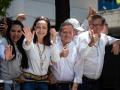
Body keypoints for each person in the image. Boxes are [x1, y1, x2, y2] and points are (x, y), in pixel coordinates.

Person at [75, 14, 120, 90]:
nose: (93, 27)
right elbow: (80, 57)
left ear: (102, 27)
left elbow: (115, 39)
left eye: (97, 25)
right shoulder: (82, 37)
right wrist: (91, 44)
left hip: (97, 83)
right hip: (84, 82)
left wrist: (116, 43)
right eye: (92, 25)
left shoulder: (104, 37)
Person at [22, 16, 58, 90]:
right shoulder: (29, 39)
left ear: (48, 30)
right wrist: (28, 41)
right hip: (29, 81)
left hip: (43, 81)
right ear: (34, 27)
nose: (41, 30)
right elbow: (26, 46)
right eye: (38, 27)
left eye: (44, 27)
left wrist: (54, 40)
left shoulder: (50, 44)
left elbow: (55, 60)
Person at [49, 22, 84, 90]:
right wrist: (60, 55)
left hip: (69, 86)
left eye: (70, 32)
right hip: (53, 86)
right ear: (60, 33)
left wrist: (74, 87)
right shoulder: (53, 45)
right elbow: (47, 62)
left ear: (73, 34)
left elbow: (79, 71)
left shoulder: (77, 48)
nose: (67, 35)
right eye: (65, 32)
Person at [0, 20, 28, 90]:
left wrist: (22, 74)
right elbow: (2, 52)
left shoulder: (21, 45)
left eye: (19, 31)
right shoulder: (4, 41)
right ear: (9, 31)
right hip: (5, 84)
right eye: (13, 31)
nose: (16, 34)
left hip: (17, 83)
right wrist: (5, 57)